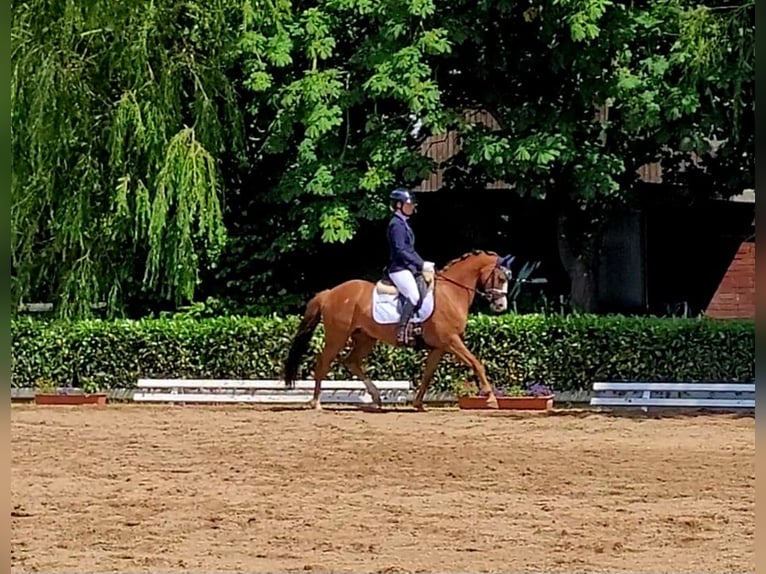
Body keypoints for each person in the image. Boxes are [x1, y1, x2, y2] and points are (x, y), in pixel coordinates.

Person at [386, 187, 433, 345]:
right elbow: (400, 250)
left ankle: (418, 323)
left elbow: (411, 250)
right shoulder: (396, 225)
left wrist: (423, 264)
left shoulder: (404, 224)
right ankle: (401, 329)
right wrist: (421, 264)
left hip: (408, 268)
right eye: (409, 204)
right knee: (413, 295)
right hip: (398, 269)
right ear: (399, 205)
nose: (412, 207)